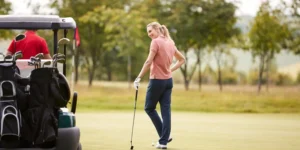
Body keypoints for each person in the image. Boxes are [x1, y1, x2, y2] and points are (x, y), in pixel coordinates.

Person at [133, 22, 185, 149]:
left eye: (151, 31)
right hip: (168, 82)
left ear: (157, 29)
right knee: (166, 111)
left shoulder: (156, 42)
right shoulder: (170, 42)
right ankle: (163, 141)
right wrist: (170, 71)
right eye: (148, 32)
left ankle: (164, 137)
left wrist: (138, 77)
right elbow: (182, 59)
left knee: (149, 108)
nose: (150, 34)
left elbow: (148, 61)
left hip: (157, 81)